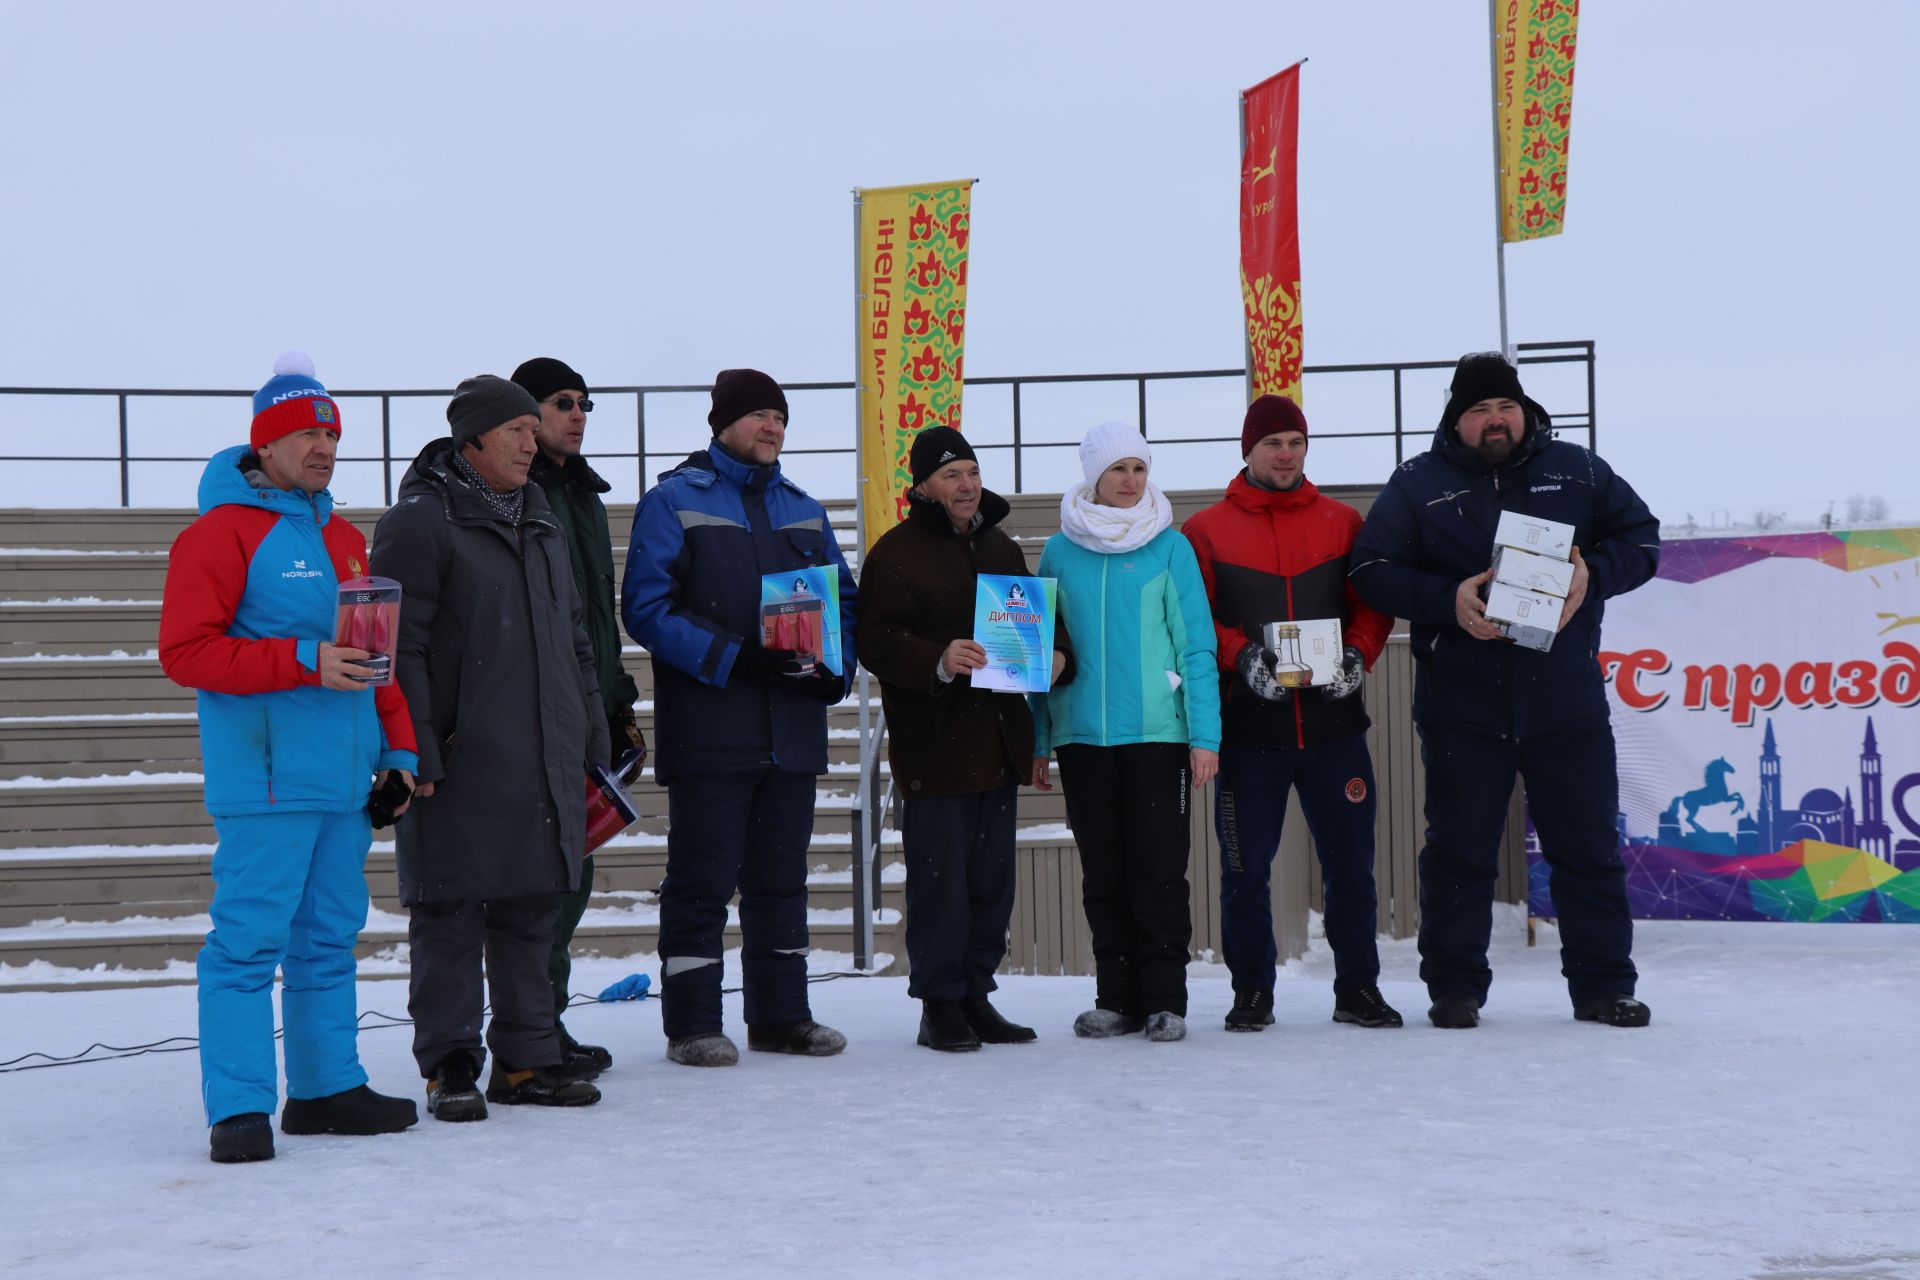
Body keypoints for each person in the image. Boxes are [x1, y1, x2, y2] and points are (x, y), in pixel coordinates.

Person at [159, 352, 420, 1163]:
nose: (325, 445)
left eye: (332, 432)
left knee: (327, 941)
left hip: (343, 783)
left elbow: (373, 654)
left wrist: (401, 750)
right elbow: (186, 652)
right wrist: (304, 660)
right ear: (265, 444)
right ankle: (239, 1107)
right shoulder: (218, 534)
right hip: (266, 782)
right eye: (308, 431)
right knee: (247, 944)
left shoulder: (343, 538)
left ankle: (324, 1087)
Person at [1350, 352, 1660, 1029]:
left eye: (1505, 407)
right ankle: (1454, 989)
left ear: (1524, 411)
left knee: (1586, 849)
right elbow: (1370, 569)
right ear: (1456, 420)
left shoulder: (1577, 470)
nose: (1495, 420)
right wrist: (1446, 597)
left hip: (1564, 701)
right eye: (1479, 409)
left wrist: (1593, 576)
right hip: (1463, 705)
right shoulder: (1416, 484)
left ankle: (1605, 986)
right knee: (1459, 852)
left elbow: (1643, 538)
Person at [371, 375, 611, 1118]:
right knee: (448, 914)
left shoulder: (539, 514)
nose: (529, 442)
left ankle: (526, 1062)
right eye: (515, 431)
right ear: (472, 439)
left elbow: (574, 637)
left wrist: (592, 733)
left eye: (529, 432)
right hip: (459, 755)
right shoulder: (419, 520)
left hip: (542, 752)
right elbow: (401, 646)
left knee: (531, 911)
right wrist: (417, 753)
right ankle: (449, 1066)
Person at [622, 368, 855, 1067]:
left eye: (779, 418)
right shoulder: (673, 501)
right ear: (721, 423)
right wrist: (735, 659)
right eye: (757, 415)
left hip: (791, 734)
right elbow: (647, 609)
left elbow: (841, 601)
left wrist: (833, 670)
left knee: (782, 879)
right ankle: (692, 1024)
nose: (772, 428)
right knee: (702, 881)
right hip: (711, 730)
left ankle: (781, 1016)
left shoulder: (804, 507)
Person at [1183, 395, 1400, 1033]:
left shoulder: (1343, 523)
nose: (1285, 453)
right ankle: (1253, 991)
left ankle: (1357, 989)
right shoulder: (1206, 531)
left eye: (1296, 442)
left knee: (1352, 868)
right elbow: (1198, 621)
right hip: (1250, 735)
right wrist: (1242, 657)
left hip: (1336, 733)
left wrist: (1358, 654)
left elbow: (1371, 606)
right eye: (1273, 442)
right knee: (1245, 871)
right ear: (1247, 449)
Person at [857, 426, 1074, 1052]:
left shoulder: (1003, 548)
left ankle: (977, 995)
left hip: (999, 743)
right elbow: (875, 640)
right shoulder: (895, 554)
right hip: (935, 749)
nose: (966, 485)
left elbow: (1044, 628)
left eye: (972, 473)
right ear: (922, 485)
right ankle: (939, 1004)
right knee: (939, 884)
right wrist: (939, 656)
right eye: (951, 475)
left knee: (989, 886)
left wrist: (1057, 659)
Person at [1029, 422, 1219, 1043]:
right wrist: (1039, 740)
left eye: (1139, 468)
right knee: (1103, 874)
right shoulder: (1060, 550)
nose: (1131, 481)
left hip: (1158, 737)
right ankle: (1116, 997)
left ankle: (1165, 1001)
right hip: (1083, 739)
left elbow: (1197, 648)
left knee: (1160, 872)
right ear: (1093, 476)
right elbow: (1040, 653)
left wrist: (1205, 736)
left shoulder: (1171, 548)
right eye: (1117, 470)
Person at [512, 357, 644, 1077]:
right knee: (536, 887)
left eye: (584, 402)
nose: (577, 414)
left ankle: (546, 1025)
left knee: (572, 879)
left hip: (586, 711)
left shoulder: (586, 499)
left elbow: (599, 617)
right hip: (530, 715)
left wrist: (620, 700)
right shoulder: (511, 493)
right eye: (562, 401)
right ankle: (525, 1034)